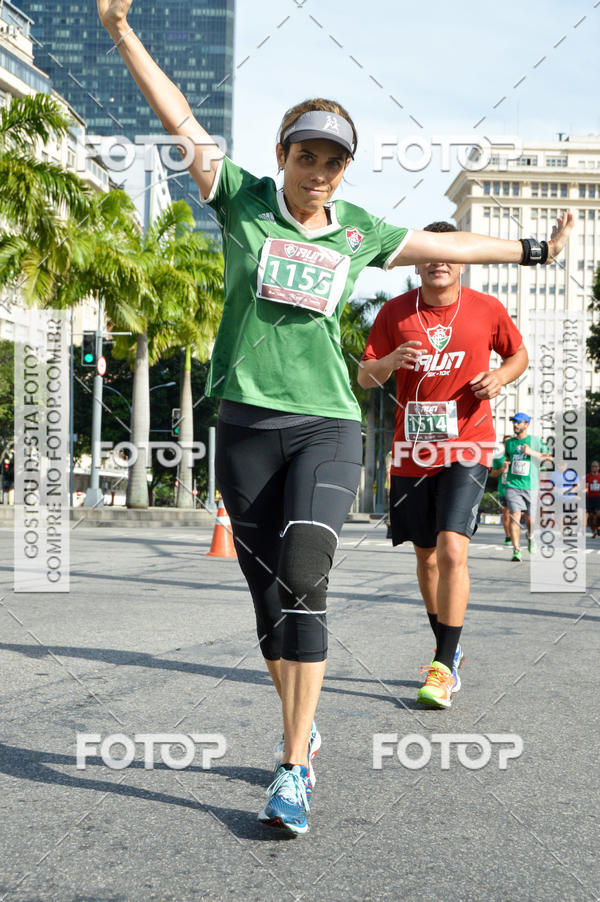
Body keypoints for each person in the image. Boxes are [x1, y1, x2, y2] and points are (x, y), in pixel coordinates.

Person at [97, 0, 573, 834]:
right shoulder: (241, 198)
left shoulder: (356, 229)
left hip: (325, 421)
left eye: (333, 160)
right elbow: (178, 117)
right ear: (282, 156)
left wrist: (534, 250)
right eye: (307, 154)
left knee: (308, 573)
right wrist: (119, 31)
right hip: (244, 422)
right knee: (269, 606)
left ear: (346, 171)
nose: (320, 170)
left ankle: (291, 766)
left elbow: (446, 249)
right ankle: (301, 725)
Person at [358, 222, 529, 709]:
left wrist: (499, 376)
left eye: (449, 253)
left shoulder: (486, 309)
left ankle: (443, 663)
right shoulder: (394, 313)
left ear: (463, 259)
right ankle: (447, 651)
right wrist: (390, 359)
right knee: (426, 555)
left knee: (454, 548)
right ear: (417, 262)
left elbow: (519, 355)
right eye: (430, 254)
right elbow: (365, 377)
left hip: (468, 446)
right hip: (413, 450)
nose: (439, 261)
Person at [504, 413, 552, 562]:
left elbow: (549, 458)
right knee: (515, 516)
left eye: (518, 422)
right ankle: (516, 550)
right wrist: (506, 465)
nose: (515, 425)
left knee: (531, 519)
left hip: (531, 485)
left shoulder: (534, 441)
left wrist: (532, 452)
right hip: (513, 485)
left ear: (527, 424)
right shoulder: (509, 443)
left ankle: (531, 537)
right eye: (513, 422)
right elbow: (507, 458)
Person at [490, 435, 513, 546]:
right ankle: (508, 536)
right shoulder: (498, 458)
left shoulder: (518, 457)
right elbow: (493, 474)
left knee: (519, 514)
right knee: (507, 514)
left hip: (518, 488)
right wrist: (502, 469)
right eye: (505, 442)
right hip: (504, 489)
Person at [585, 461, 600, 536]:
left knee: (598, 515)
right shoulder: (587, 476)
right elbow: (584, 486)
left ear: (598, 468)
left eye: (596, 466)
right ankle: (593, 531)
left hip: (598, 498)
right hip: (590, 498)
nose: (594, 468)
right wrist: (585, 490)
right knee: (591, 517)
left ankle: (599, 528)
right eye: (593, 466)